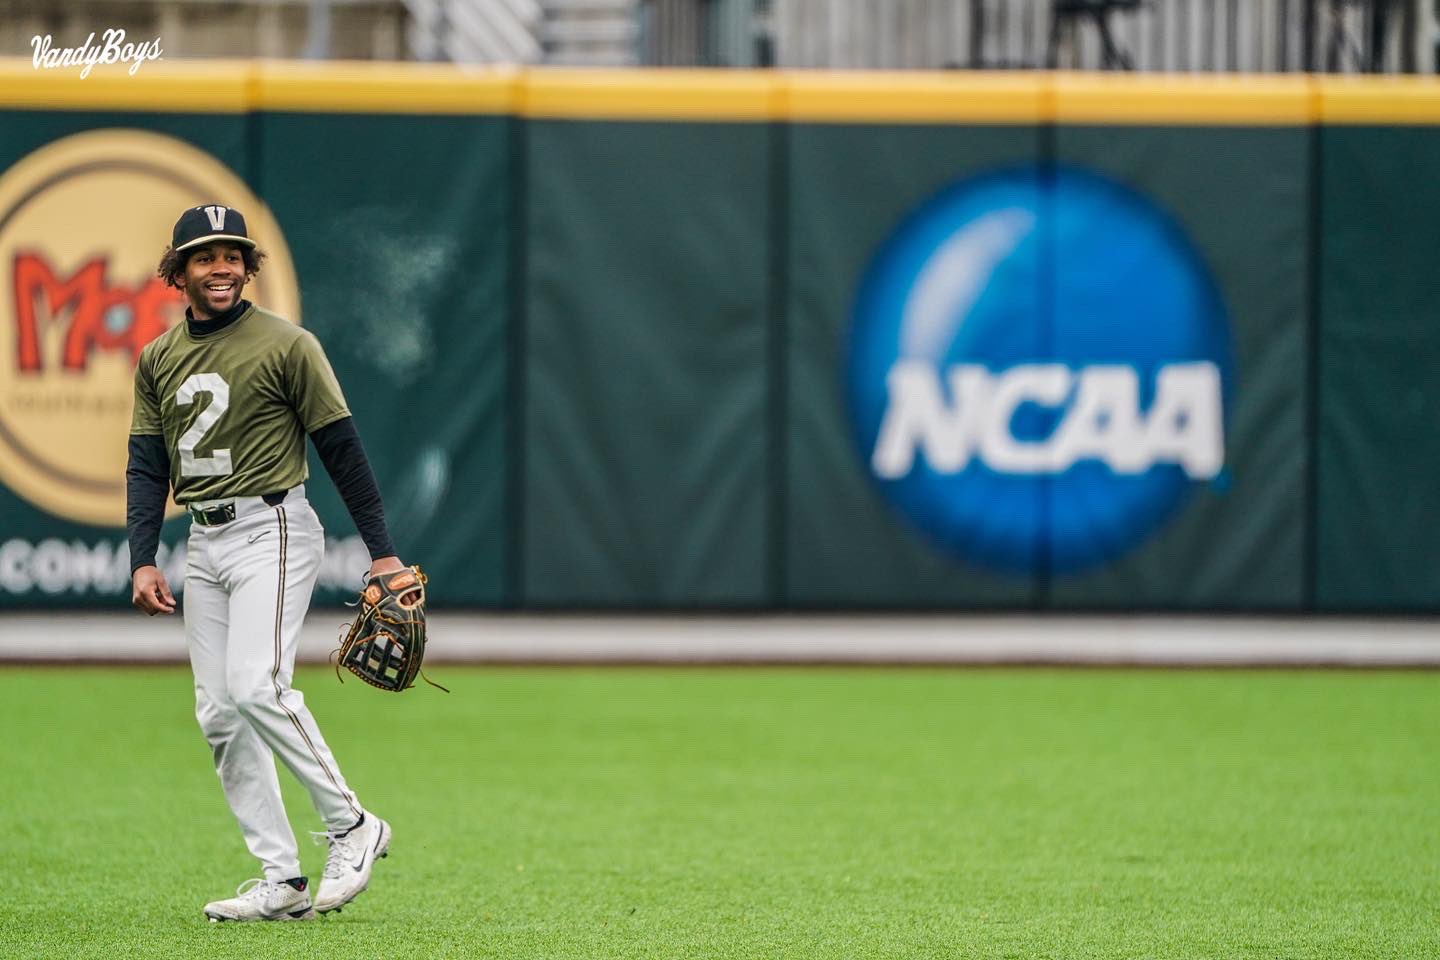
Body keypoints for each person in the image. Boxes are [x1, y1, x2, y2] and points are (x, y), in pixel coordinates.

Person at [127, 205, 401, 922]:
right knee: (218, 712)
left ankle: (353, 825)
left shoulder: (289, 344)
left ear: (249, 267)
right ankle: (281, 877)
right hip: (206, 541)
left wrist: (382, 551)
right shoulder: (158, 357)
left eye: (233, 256)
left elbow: (342, 448)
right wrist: (143, 557)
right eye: (205, 256)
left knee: (256, 685)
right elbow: (148, 463)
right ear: (178, 271)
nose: (221, 268)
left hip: (271, 526)